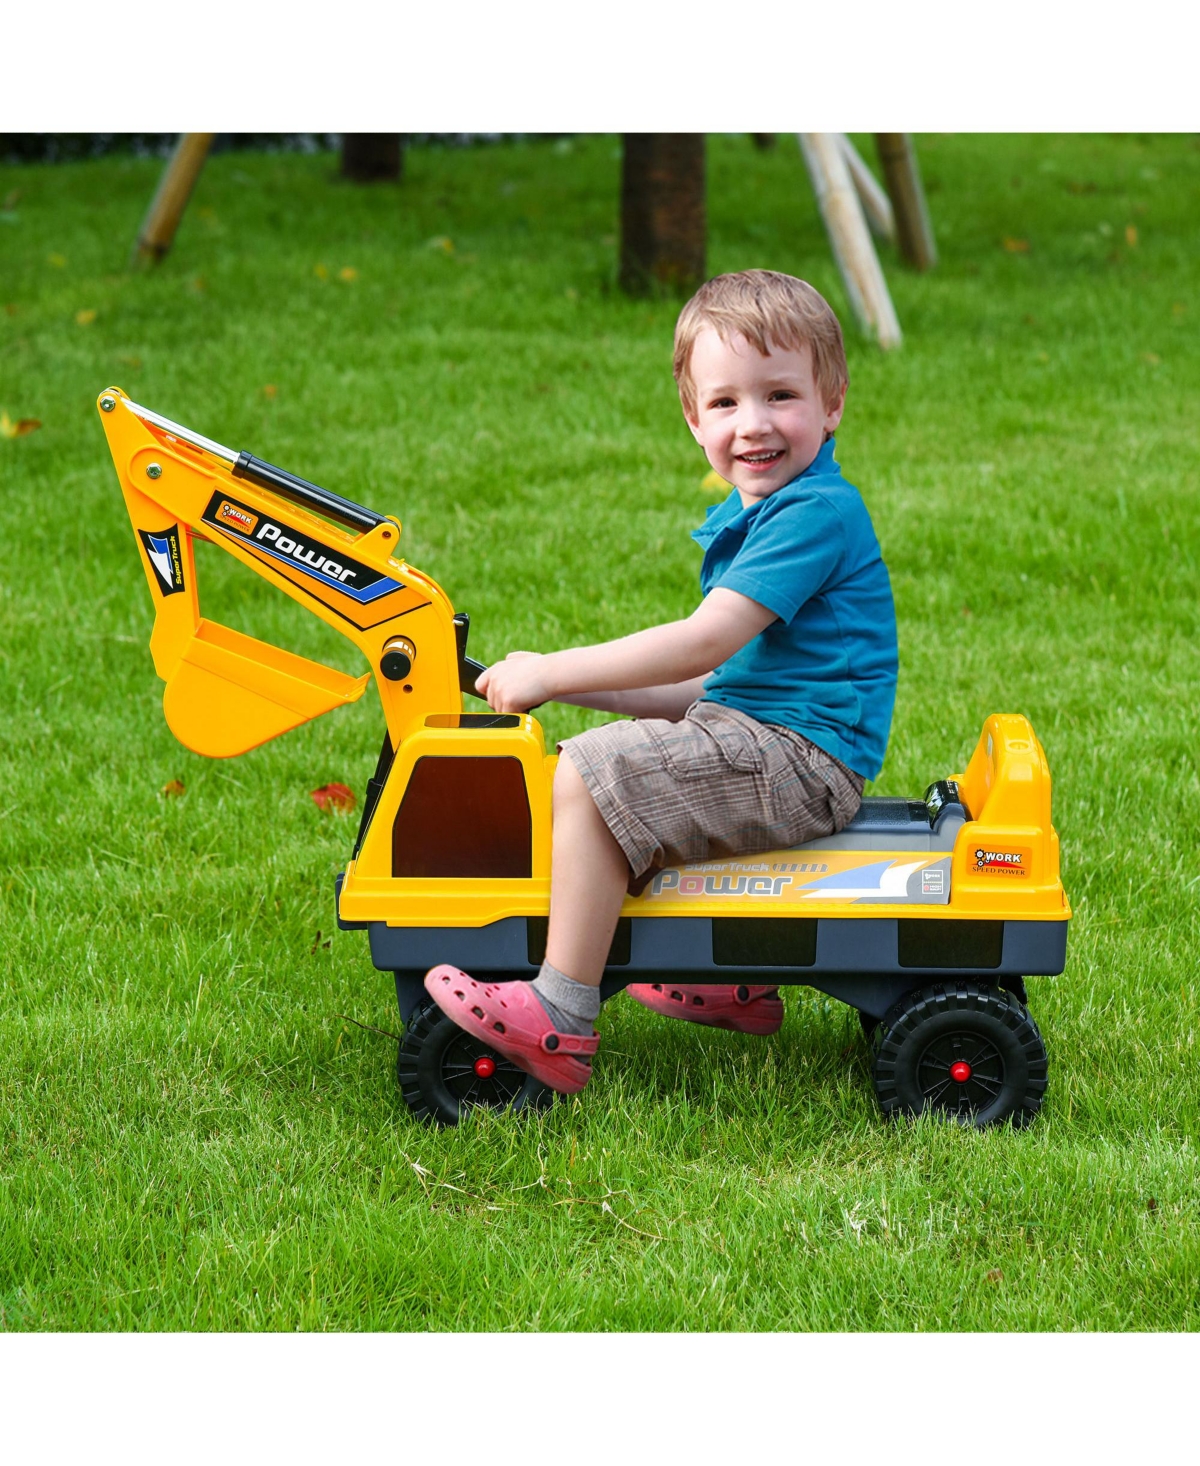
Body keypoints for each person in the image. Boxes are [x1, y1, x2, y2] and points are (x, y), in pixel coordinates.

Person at [424, 269, 898, 1095]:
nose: (754, 425)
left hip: (802, 762)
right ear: (693, 418)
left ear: (833, 404)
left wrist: (554, 669)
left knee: (595, 772)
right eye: (725, 404)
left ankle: (559, 1016)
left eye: (780, 395)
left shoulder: (814, 514)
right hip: (773, 741)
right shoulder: (770, 511)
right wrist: (559, 686)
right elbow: (714, 685)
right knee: (629, 756)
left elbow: (698, 645)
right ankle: (724, 981)